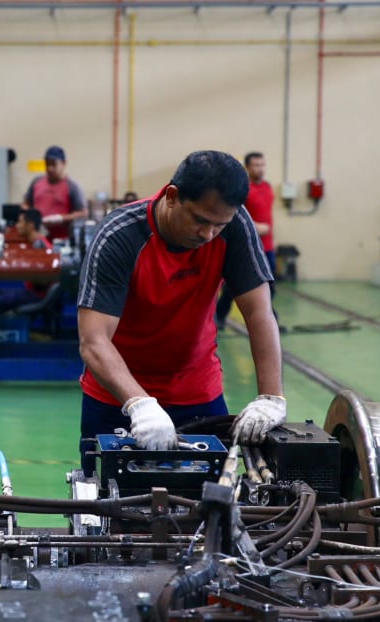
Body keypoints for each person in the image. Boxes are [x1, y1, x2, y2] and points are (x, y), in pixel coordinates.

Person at [77, 150, 284, 476]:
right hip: (116, 396)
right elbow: (94, 341)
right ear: (172, 197)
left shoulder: (234, 226)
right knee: (107, 508)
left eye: (219, 224)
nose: (208, 235)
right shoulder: (120, 235)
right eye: (200, 220)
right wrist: (138, 404)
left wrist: (271, 398)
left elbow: (259, 313)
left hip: (197, 391)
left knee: (212, 509)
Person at [215, 152, 277, 330]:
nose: (260, 168)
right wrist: (255, 227)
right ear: (248, 167)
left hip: (268, 246)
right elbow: (234, 213)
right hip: (248, 245)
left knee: (269, 286)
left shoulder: (267, 187)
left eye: (262, 164)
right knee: (233, 287)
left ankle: (268, 317)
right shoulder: (243, 189)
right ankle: (220, 316)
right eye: (256, 165)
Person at [0, 209, 53, 319]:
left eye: (20, 222)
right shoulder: (36, 243)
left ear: (30, 225)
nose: (17, 225)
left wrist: (20, 271)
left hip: (34, 295)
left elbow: (43, 280)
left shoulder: (41, 247)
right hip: (29, 291)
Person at [22, 146, 87, 240]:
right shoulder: (37, 182)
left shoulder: (72, 186)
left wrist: (60, 218)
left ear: (64, 163)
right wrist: (29, 217)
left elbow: (82, 213)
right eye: (47, 164)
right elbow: (26, 203)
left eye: (54, 164)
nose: (50, 168)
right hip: (37, 238)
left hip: (61, 240)